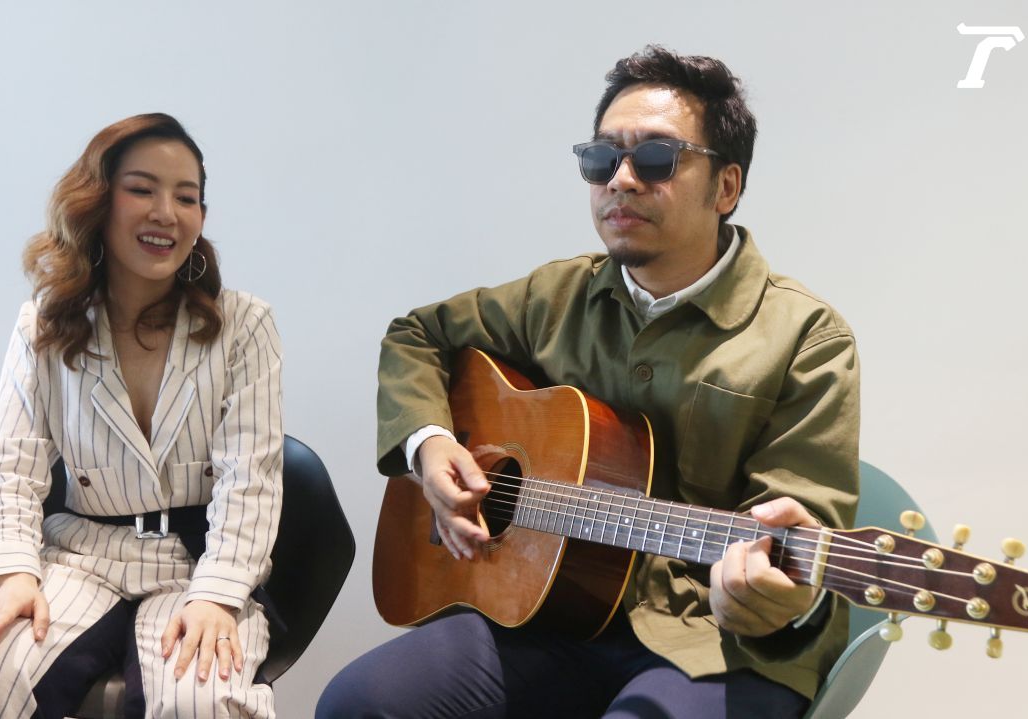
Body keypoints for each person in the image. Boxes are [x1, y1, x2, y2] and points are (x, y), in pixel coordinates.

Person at [318, 45, 859, 718]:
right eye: (602, 159)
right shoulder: (556, 294)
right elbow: (417, 335)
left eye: (656, 158)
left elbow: (801, 529)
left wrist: (767, 594)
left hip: (712, 640)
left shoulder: (807, 337)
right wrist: (430, 446)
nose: (621, 180)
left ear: (726, 187)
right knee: (359, 703)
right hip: (553, 611)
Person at [0, 114, 284, 719]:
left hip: (194, 561)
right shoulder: (44, 322)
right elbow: (8, 467)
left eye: (187, 198)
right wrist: (14, 576)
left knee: (199, 699)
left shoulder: (244, 325)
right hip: (78, 555)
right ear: (97, 200)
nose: (166, 213)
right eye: (142, 189)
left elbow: (251, 478)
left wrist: (219, 595)